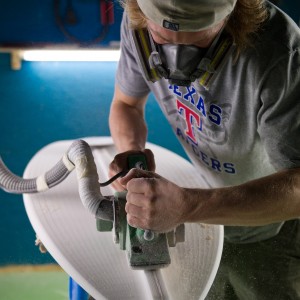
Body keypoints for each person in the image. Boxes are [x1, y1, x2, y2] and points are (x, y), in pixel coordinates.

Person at [108, 0, 300, 298]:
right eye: (162, 39)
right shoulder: (139, 25)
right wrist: (132, 153)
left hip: (273, 225)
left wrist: (188, 205)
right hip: (201, 221)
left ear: (234, 15)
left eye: (198, 41)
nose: (178, 60)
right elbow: (126, 105)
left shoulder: (281, 57)